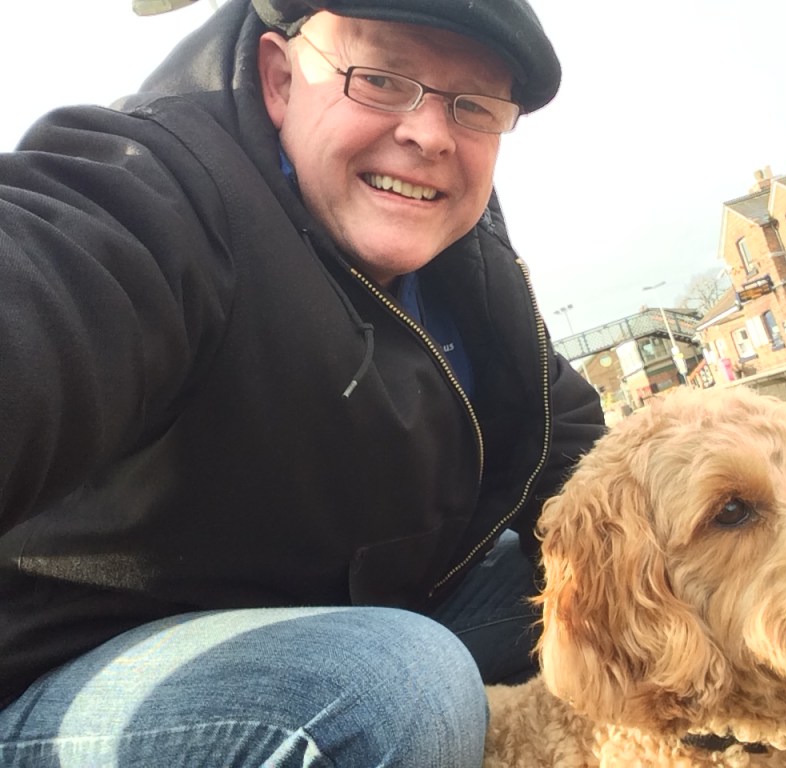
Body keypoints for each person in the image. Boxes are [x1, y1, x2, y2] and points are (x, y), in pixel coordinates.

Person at [0, 1, 605, 765]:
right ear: (280, 78)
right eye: (381, 77)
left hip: (363, 609)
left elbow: (575, 450)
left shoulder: (464, 255)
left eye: (473, 105)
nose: (430, 134)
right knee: (395, 688)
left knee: (603, 595)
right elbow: (47, 285)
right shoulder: (162, 188)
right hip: (75, 675)